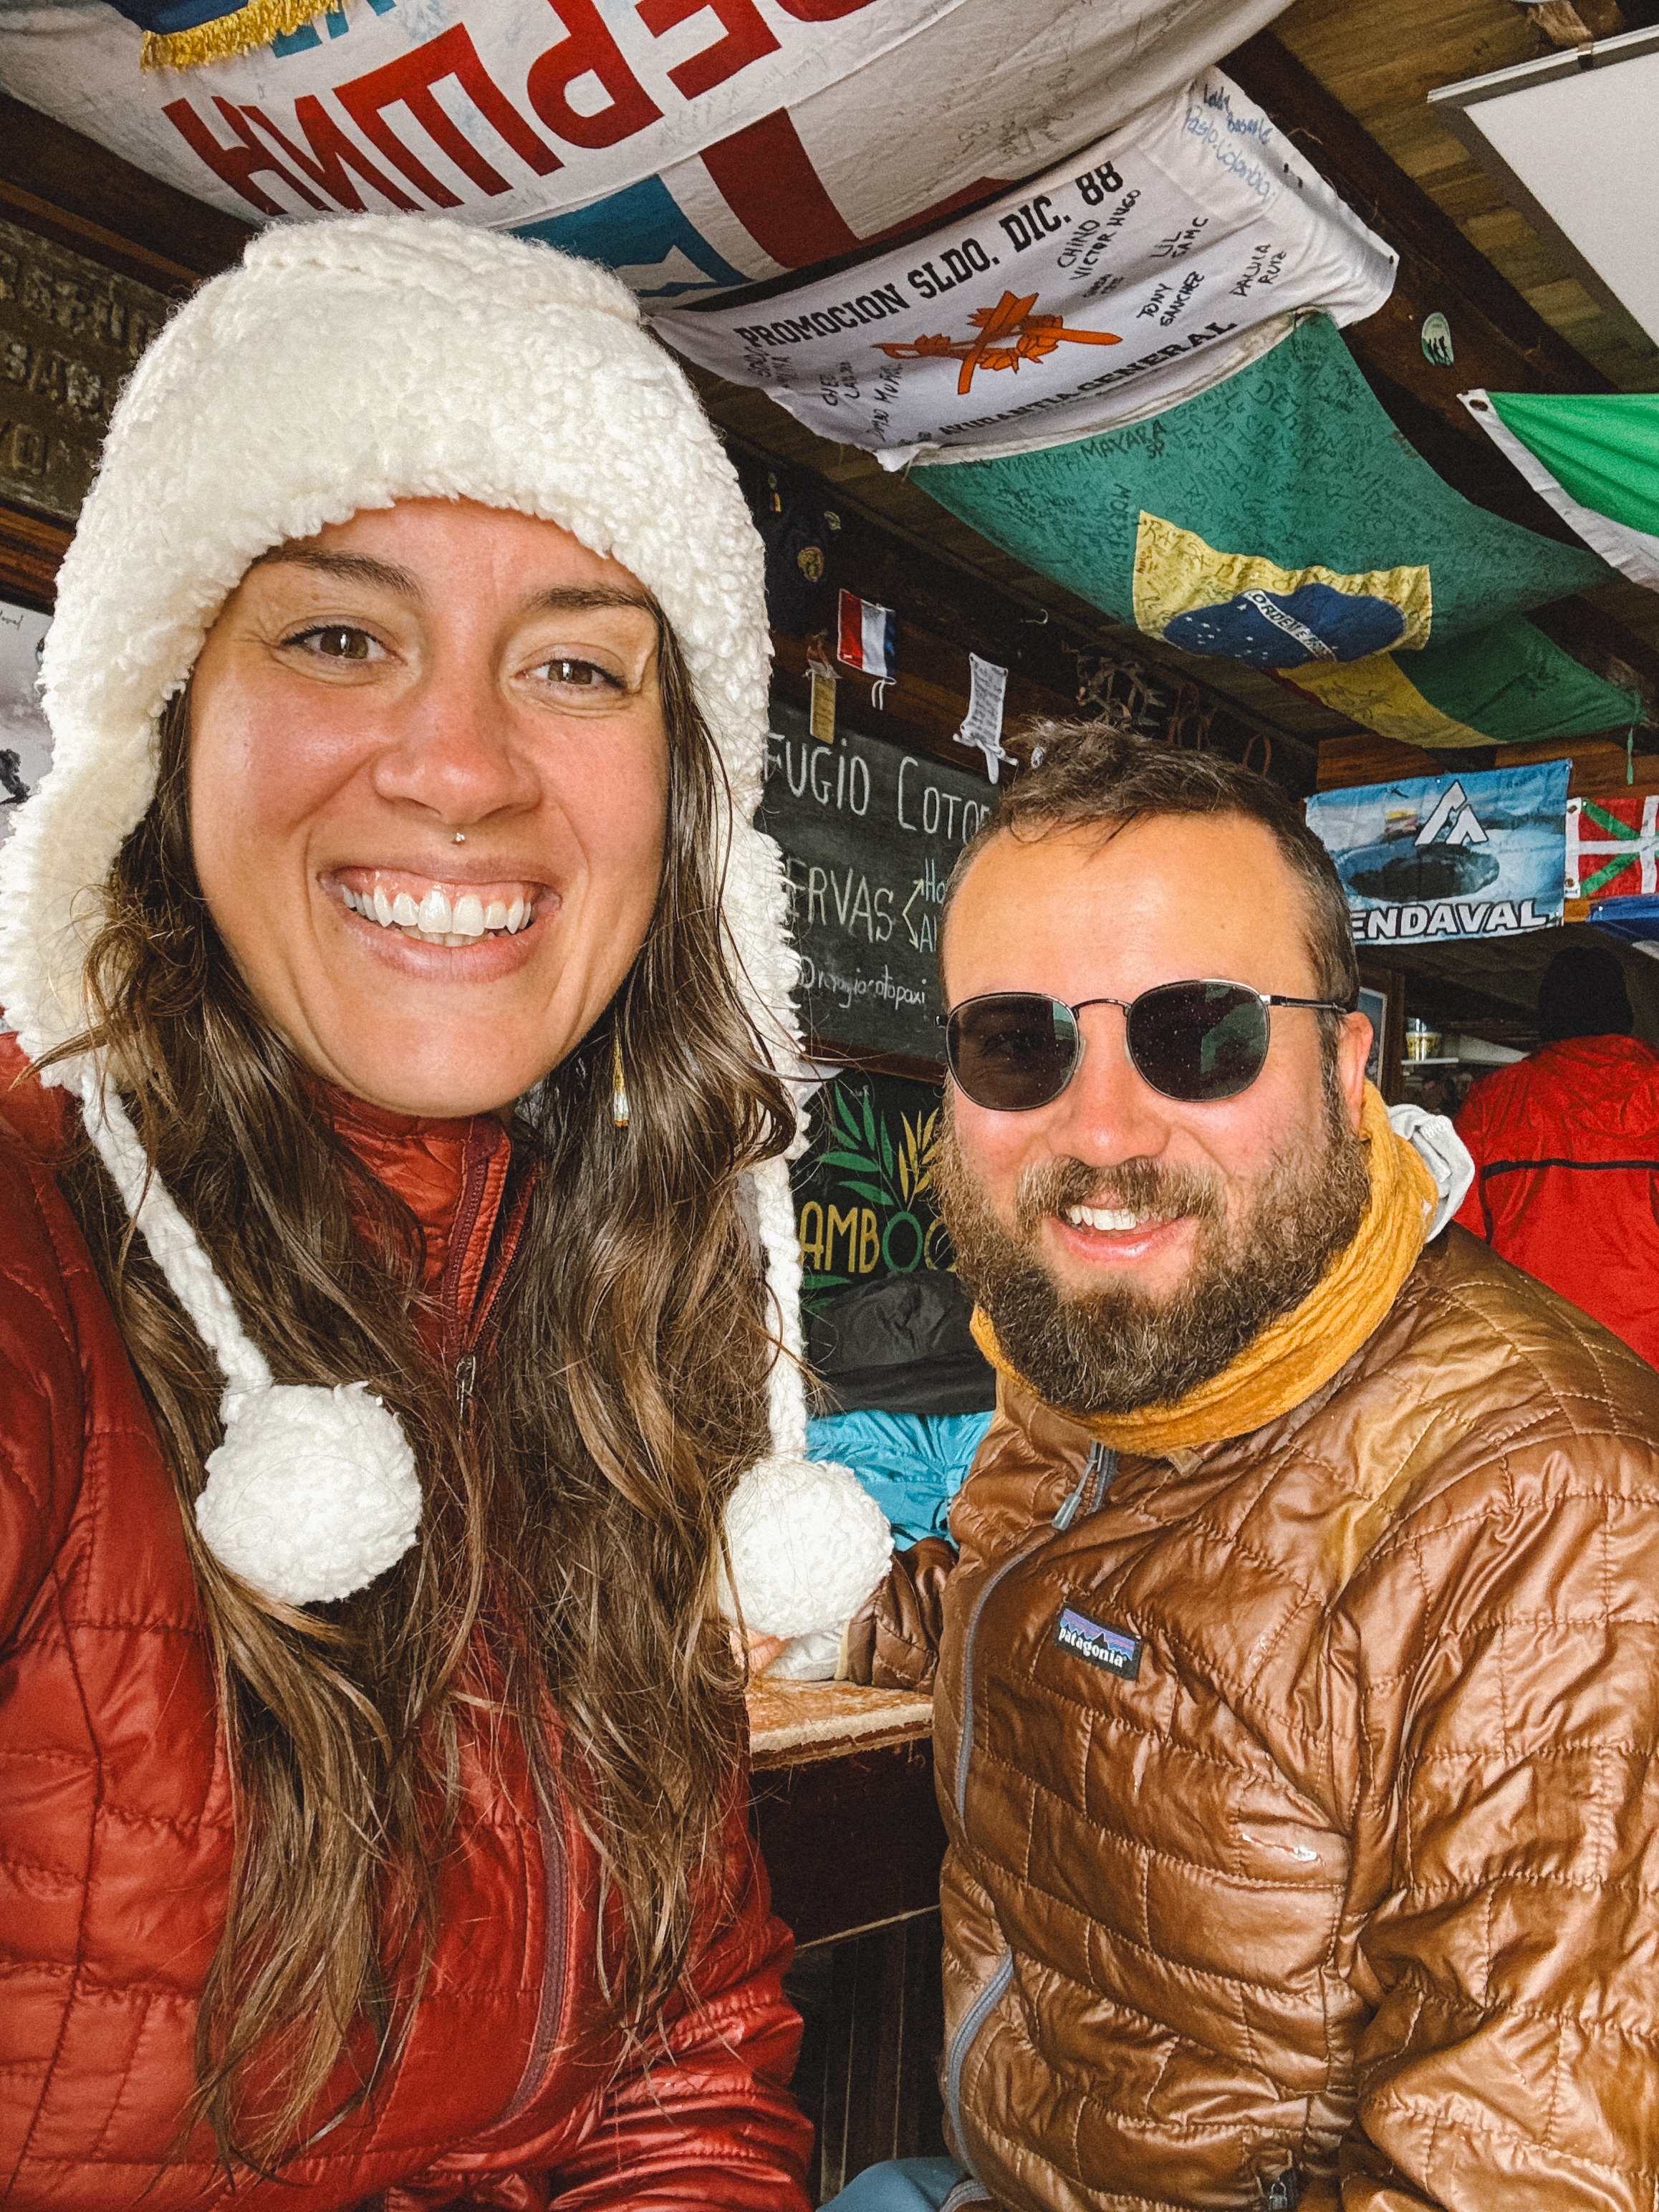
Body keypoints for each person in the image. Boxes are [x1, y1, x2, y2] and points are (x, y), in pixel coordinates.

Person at [0, 216, 895, 2208]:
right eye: (338, 635)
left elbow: (686, 2042)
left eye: (575, 665)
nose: (463, 767)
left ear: (678, 814)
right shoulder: (33, 1248)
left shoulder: (615, 1317)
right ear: (166, 735)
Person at [831, 726, 1659, 2212]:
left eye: (1196, 1032)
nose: (1099, 1130)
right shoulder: (1094, 1347)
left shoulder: (1552, 1521)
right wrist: (770, 1613)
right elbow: (1024, 1592)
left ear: (1348, 1070)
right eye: (1020, 1042)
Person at [1453, 941, 1659, 1365]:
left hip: (1533, 1364)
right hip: (1647, 1368)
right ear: (1623, 1014)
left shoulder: (1492, 1103)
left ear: (1548, 1016)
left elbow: (1457, 1246)